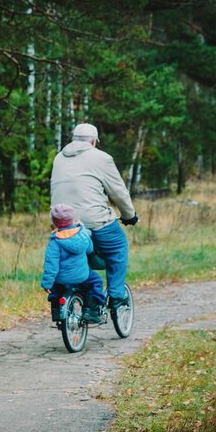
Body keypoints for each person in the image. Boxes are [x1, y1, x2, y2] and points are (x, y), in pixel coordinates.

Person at [50, 123, 138, 307]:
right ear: (93, 141)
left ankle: (84, 296)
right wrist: (129, 215)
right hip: (94, 221)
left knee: (76, 255)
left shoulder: (58, 158)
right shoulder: (102, 158)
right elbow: (118, 192)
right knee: (118, 248)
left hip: (63, 223)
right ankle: (115, 295)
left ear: (73, 139)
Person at [41, 204, 106, 324]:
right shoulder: (83, 234)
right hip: (82, 276)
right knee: (96, 281)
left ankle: (56, 310)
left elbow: (51, 265)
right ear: (73, 219)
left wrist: (47, 284)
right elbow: (90, 250)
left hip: (62, 279)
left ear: (54, 223)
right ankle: (91, 310)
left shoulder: (54, 242)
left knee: (55, 289)